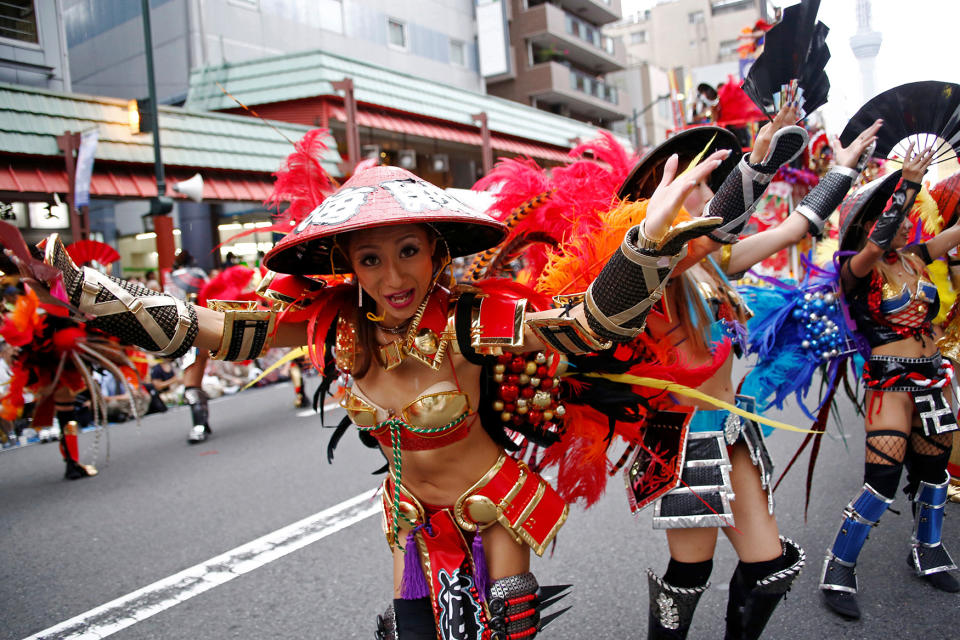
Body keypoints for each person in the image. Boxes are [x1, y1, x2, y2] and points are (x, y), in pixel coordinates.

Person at [31, 155, 730, 638]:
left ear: (435, 250)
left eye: (407, 252)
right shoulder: (333, 323)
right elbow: (215, 331)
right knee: (411, 631)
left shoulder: (467, 322)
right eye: (370, 258)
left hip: (492, 500)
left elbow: (585, 329)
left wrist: (646, 244)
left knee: (503, 626)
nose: (392, 275)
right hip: (408, 513)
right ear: (346, 266)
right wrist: (95, 297)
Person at [606, 105, 881, 639]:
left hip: (733, 429)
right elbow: (708, 232)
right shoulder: (646, 272)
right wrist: (756, 165)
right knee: (691, 572)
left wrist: (841, 171)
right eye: (701, 181)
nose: (709, 193)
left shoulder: (714, 263)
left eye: (712, 182)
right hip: (681, 439)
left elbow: (794, 227)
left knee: (769, 567)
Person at [819, 142, 960, 619]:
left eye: (903, 216)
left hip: (933, 375)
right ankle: (839, 564)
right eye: (894, 216)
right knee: (881, 480)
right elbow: (877, 244)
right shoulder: (857, 269)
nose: (905, 223)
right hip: (890, 384)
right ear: (867, 224)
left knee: (935, 475)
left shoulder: (918, 257)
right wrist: (909, 182)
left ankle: (928, 549)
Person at [166, 250, 213, 443]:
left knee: (191, 385)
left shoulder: (171, 279)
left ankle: (199, 426)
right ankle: (204, 422)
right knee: (196, 379)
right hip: (204, 327)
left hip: (186, 332)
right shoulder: (199, 274)